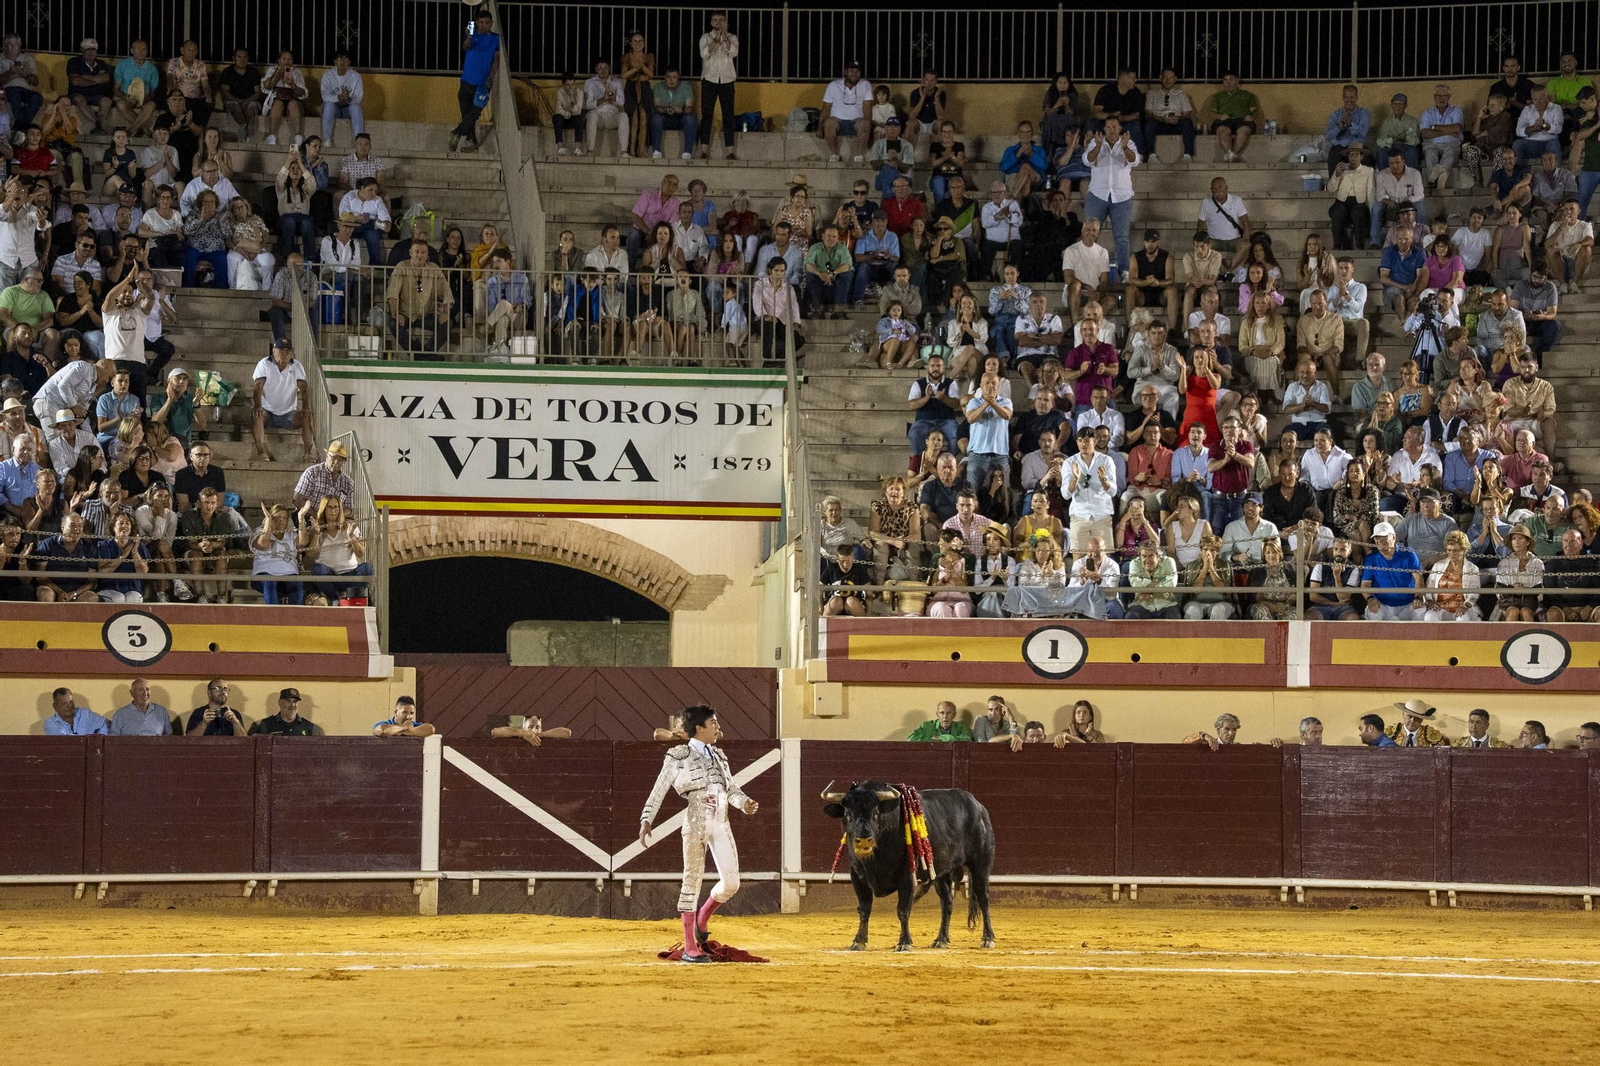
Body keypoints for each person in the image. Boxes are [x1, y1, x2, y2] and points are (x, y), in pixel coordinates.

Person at [638, 704, 757, 963]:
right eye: (713, 723)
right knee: (692, 880)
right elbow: (659, 789)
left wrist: (744, 803)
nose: (718, 727)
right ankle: (690, 947)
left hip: (721, 822)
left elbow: (731, 790)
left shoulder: (719, 756)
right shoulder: (678, 755)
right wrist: (647, 818)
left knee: (732, 883)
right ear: (699, 728)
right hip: (695, 821)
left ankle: (702, 919)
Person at [1083, 119, 1140, 281]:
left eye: (1115, 126)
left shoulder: (1128, 143)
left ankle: (1125, 272)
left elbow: (1133, 160)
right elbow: (1088, 160)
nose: (1112, 129)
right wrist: (1099, 146)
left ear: (1120, 128)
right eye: (1108, 127)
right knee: (1090, 233)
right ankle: (1089, 269)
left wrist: (1124, 146)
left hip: (1121, 196)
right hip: (1097, 194)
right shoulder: (1095, 142)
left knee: (1121, 236)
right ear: (1104, 129)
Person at [453, 8, 500, 152]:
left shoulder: (495, 38)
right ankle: (470, 141)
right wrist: (468, 37)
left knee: (475, 112)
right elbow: (465, 47)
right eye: (481, 22)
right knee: (468, 114)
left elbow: (496, 60)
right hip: (466, 80)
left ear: (491, 23)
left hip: (482, 83)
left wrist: (491, 78)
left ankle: (457, 133)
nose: (483, 25)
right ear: (477, 23)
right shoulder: (472, 36)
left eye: (487, 22)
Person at [696, 12, 738, 160]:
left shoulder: (732, 37)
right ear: (711, 23)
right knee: (707, 115)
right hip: (709, 79)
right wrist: (715, 39)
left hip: (726, 80)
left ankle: (730, 151)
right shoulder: (705, 38)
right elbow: (704, 53)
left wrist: (724, 36)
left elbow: (733, 52)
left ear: (725, 22)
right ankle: (704, 150)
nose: (718, 22)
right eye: (715, 20)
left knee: (728, 116)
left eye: (721, 20)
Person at [1359, 520, 1421, 620]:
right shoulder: (1371, 558)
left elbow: (1418, 579)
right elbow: (1365, 584)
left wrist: (1418, 597)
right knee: (1373, 612)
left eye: (1384, 537)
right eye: (1377, 538)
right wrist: (1370, 599)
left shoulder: (1408, 553)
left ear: (1394, 537)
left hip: (1408, 603)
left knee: (1420, 610)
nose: (1379, 541)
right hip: (1383, 604)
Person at [820, 61, 872, 163]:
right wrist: (819, 127)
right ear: (845, 72)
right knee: (829, 122)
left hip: (857, 123)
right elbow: (826, 108)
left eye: (857, 71)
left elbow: (867, 108)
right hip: (838, 122)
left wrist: (869, 126)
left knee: (865, 123)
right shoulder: (833, 85)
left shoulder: (865, 84)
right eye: (851, 71)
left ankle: (859, 155)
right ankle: (834, 155)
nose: (854, 74)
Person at [1205, 71, 1261, 163]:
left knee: (1244, 130)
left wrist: (1251, 117)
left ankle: (1231, 155)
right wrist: (1220, 116)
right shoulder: (1217, 97)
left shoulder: (1248, 95)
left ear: (1237, 80)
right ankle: (1233, 156)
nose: (1228, 83)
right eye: (1225, 80)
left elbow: (1255, 111)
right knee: (1223, 130)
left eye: (1231, 79)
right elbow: (1212, 113)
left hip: (1243, 121)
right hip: (1224, 121)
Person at [650, 67, 697, 161]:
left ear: (678, 77)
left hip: (680, 117)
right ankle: (656, 151)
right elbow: (657, 106)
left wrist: (682, 109)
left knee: (691, 118)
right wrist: (666, 109)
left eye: (674, 77)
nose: (671, 80)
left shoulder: (686, 87)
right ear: (664, 78)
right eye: (669, 77)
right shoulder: (658, 87)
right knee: (656, 118)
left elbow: (690, 107)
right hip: (665, 117)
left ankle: (687, 152)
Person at [43, 686, 108, 736]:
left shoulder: (85, 714)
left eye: (71, 702)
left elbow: (106, 724)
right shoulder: (50, 723)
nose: (69, 706)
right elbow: (63, 742)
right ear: (55, 707)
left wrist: (100, 739)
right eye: (64, 703)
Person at [908, 701, 973, 742]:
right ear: (937, 715)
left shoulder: (959, 727)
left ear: (954, 715)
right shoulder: (927, 726)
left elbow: (967, 740)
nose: (945, 716)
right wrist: (931, 741)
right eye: (942, 713)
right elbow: (911, 739)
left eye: (949, 713)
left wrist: (942, 738)